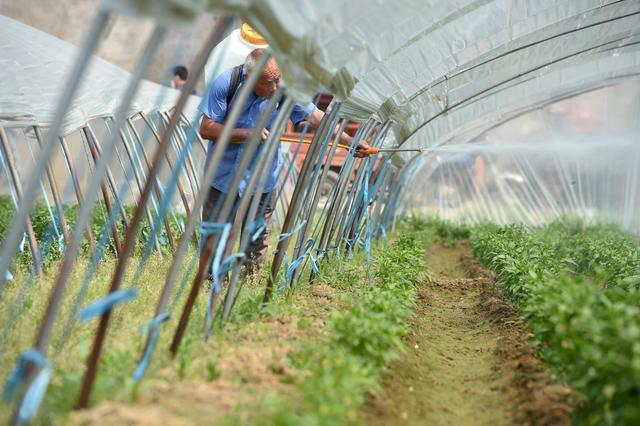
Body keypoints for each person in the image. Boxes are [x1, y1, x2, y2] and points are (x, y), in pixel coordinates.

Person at [198, 48, 369, 277]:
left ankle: (249, 282)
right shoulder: (225, 84)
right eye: (269, 82)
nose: (275, 87)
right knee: (216, 233)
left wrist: (349, 141)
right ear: (250, 80)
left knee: (256, 235)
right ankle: (212, 282)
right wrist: (246, 134)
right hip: (223, 176)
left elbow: (318, 117)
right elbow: (206, 128)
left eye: (278, 79)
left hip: (262, 177)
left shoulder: (284, 91)